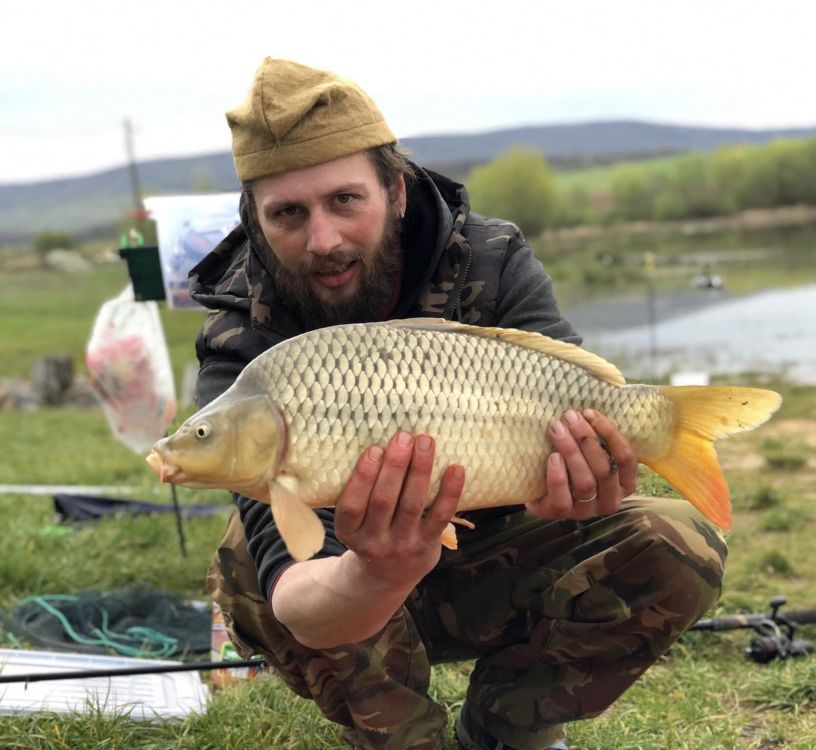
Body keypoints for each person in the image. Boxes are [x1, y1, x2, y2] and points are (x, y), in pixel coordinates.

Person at [194, 58, 726, 750]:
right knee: (248, 556)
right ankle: (403, 737)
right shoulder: (241, 333)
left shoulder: (490, 258)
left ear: (396, 191)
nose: (323, 240)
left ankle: (507, 729)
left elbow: (575, 407)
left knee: (675, 540)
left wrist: (574, 488)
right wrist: (379, 568)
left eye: (345, 200)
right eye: (288, 214)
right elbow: (298, 592)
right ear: (256, 220)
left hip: (488, 560)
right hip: (346, 588)